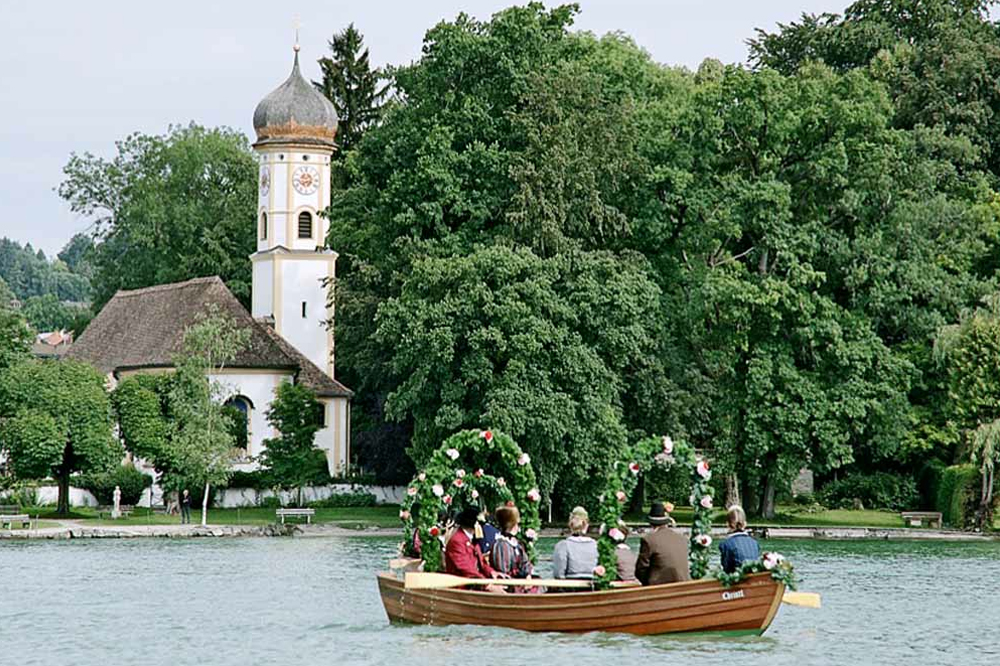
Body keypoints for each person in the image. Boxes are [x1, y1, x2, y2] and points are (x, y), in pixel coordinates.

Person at [635, 501, 690, 586]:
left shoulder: (649, 540)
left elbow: (641, 569)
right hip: (683, 585)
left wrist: (647, 583)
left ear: (650, 523)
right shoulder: (682, 538)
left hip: (660, 588)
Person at [445, 506, 503, 580]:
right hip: (464, 583)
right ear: (476, 525)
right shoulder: (457, 541)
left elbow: (482, 563)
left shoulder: (472, 540)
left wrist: (492, 572)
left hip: (476, 580)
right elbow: (466, 569)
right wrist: (486, 583)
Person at [552, 506, 598, 579]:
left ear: (570, 524)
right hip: (592, 584)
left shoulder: (563, 546)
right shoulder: (596, 545)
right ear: (586, 525)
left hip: (570, 584)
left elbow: (558, 574)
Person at [490, 505, 533, 579]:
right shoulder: (501, 545)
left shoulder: (516, 543)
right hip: (510, 582)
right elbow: (503, 571)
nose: (518, 526)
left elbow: (526, 563)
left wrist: (527, 574)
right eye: (517, 523)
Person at [718, 505, 760, 573]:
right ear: (745, 524)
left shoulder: (726, 544)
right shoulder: (754, 543)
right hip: (754, 577)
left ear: (727, 524)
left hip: (737, 578)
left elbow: (726, 570)